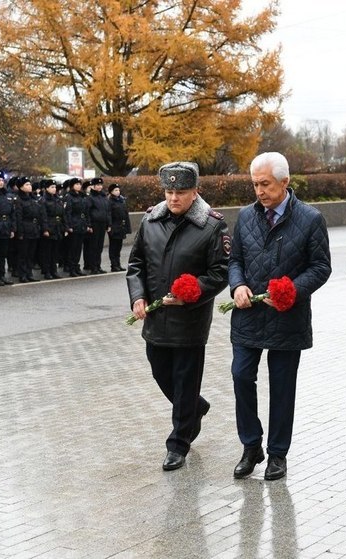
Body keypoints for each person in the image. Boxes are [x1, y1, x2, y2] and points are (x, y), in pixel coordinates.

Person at [228, 152, 331, 481]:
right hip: (248, 314)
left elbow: (321, 267)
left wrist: (292, 290)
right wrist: (237, 286)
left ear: (285, 182)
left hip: (288, 316)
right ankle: (250, 445)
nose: (259, 190)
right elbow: (234, 261)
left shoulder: (311, 219)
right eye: (255, 184)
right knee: (242, 376)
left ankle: (277, 454)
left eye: (265, 184)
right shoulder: (245, 217)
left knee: (282, 387)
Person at [127, 161, 229, 471]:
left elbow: (220, 272)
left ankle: (178, 443)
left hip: (190, 320)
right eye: (169, 191)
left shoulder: (212, 225)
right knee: (161, 372)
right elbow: (136, 265)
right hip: (157, 320)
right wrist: (138, 296)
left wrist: (193, 289)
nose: (173, 198)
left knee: (185, 381)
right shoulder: (150, 221)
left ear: (196, 191)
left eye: (181, 192)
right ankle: (195, 408)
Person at [14, 177, 43, 282]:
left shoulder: (33, 199)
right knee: (23, 254)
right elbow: (19, 217)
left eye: (29, 184)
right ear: (21, 187)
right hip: (25, 229)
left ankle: (29, 273)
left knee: (31, 254)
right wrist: (20, 232)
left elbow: (39, 214)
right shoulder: (19, 200)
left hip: (34, 228)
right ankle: (22, 275)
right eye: (26, 185)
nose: (29, 186)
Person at [38, 179, 66, 279]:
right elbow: (43, 216)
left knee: (55, 251)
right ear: (46, 189)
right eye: (52, 187)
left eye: (55, 187)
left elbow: (63, 214)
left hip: (57, 227)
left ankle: (54, 270)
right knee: (47, 251)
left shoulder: (58, 199)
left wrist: (64, 227)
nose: (54, 189)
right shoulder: (43, 200)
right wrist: (45, 229)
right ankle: (47, 271)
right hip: (49, 227)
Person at [64, 178, 90, 277]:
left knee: (79, 248)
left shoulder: (82, 196)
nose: (79, 186)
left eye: (79, 184)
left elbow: (86, 211)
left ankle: (76, 267)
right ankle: (72, 268)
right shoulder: (69, 197)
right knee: (73, 248)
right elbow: (67, 213)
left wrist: (87, 224)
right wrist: (69, 226)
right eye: (76, 184)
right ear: (72, 186)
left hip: (81, 224)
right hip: (74, 225)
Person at [85, 177, 110, 274]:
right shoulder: (90, 197)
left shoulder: (103, 197)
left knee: (99, 246)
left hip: (102, 224)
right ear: (93, 186)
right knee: (93, 246)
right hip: (94, 224)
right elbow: (87, 212)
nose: (99, 187)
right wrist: (89, 225)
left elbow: (107, 211)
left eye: (100, 185)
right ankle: (93, 266)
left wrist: (108, 223)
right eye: (97, 185)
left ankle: (98, 265)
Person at [108, 183, 132, 271]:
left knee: (118, 247)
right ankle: (114, 265)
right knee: (113, 247)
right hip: (114, 226)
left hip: (121, 226)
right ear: (111, 192)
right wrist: (109, 225)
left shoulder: (121, 200)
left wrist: (127, 227)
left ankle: (118, 264)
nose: (118, 192)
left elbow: (125, 214)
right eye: (115, 190)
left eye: (118, 190)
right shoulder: (110, 201)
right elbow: (109, 214)